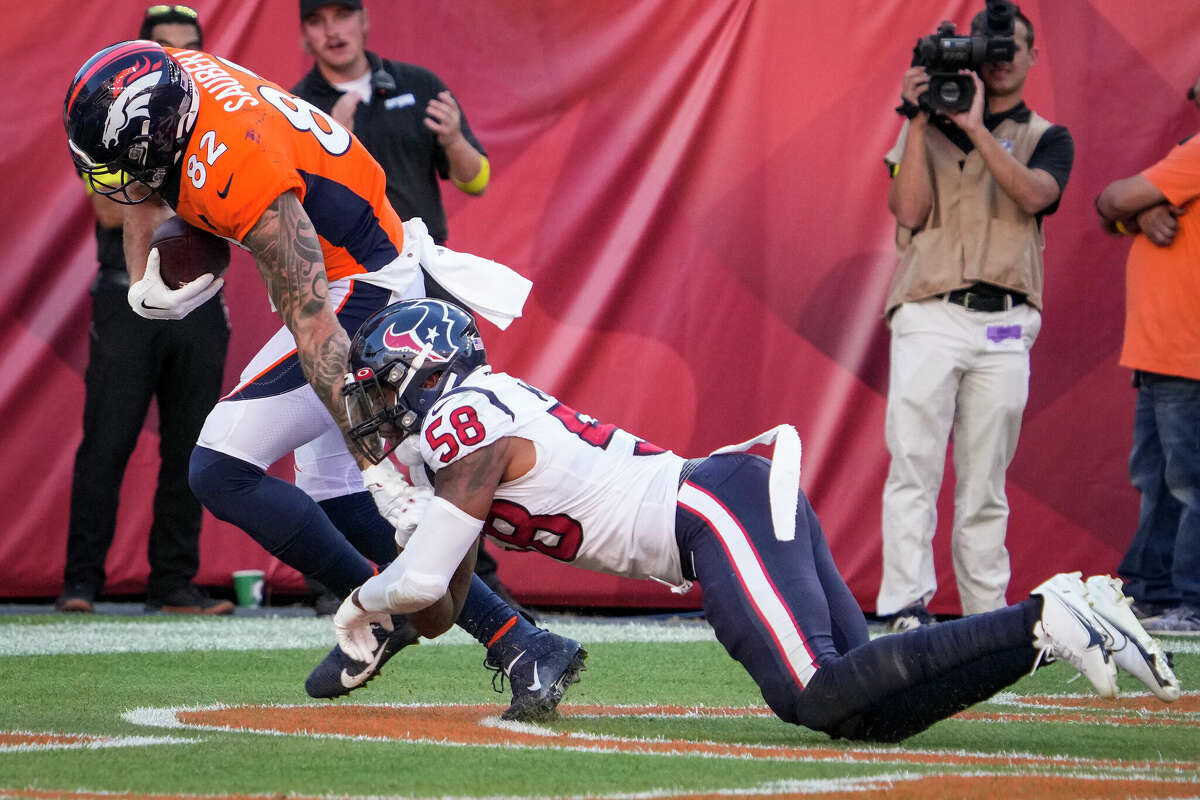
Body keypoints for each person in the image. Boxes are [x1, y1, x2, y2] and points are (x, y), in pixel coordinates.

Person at [330, 298, 1180, 743]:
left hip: (707, 508)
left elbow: (422, 588)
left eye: (377, 380)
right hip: (720, 500)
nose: (373, 402)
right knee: (862, 708)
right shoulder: (470, 425)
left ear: (419, 369)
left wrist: (361, 604)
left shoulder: (461, 419)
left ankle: (1042, 612)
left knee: (816, 696)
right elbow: (439, 608)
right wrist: (407, 535)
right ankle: (1042, 628)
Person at [63, 40, 583, 721]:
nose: (121, 178)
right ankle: (523, 641)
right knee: (329, 491)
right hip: (346, 267)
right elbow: (195, 190)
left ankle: (379, 611)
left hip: (355, 290)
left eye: (128, 158)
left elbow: (311, 321)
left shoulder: (236, 162)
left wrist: (381, 463)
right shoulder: (177, 78)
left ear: (163, 128)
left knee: (220, 466)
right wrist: (171, 261)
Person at [290, 0, 518, 615]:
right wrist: (325, 137)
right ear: (305, 32)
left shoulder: (417, 87)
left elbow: (475, 177)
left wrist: (451, 138)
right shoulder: (296, 108)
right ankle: (343, 574)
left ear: (364, 22)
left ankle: (479, 580)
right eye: (318, 19)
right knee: (352, 433)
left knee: (452, 430)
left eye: (342, 15)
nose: (332, 30)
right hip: (345, 291)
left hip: (425, 296)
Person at [877, 5, 1074, 631]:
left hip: (1005, 322)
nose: (1002, 52)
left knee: (985, 480)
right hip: (929, 311)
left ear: (1033, 56)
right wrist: (915, 118)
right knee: (913, 464)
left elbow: (1037, 195)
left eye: (1013, 43)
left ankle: (985, 618)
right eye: (990, 42)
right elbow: (907, 211)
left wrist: (977, 124)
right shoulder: (923, 126)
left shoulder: (1048, 134)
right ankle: (906, 607)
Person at [57, 4, 232, 616]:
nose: (178, 60)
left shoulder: (223, 126)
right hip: (125, 293)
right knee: (108, 440)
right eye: (166, 49)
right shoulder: (106, 122)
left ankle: (173, 583)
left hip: (202, 297)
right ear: (144, 59)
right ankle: (80, 581)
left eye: (189, 49)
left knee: (191, 446)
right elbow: (112, 213)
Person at [1094, 76, 1200, 633]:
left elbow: (1111, 197)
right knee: (1160, 477)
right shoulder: (1188, 152)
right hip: (1164, 350)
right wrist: (1138, 215)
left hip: (1187, 351)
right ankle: (1155, 590)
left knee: (1187, 480)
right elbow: (1111, 209)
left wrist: (1131, 209)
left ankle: (1190, 597)